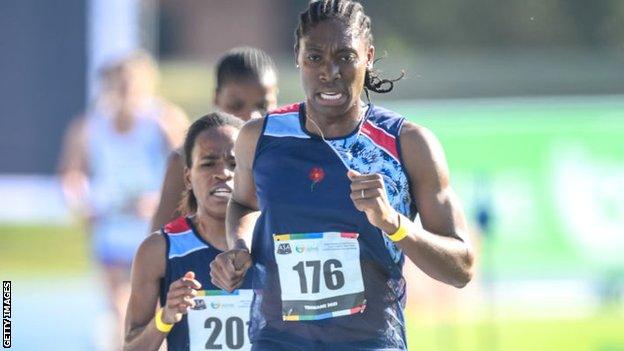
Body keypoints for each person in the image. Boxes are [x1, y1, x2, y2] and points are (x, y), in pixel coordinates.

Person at [209, 1, 475, 350]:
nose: (329, 72)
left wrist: (393, 223)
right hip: (278, 340)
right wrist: (239, 247)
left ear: (368, 56)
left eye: (346, 57)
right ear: (297, 57)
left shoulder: (406, 144)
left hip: (370, 341)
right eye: (315, 57)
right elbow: (243, 202)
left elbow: (461, 267)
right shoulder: (260, 138)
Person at [58, 51, 189, 350]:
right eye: (116, 86)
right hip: (111, 228)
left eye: (131, 86)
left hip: (153, 229)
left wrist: (161, 201)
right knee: (120, 307)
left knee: (155, 310)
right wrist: (81, 205)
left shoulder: (165, 121)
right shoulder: (88, 127)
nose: (124, 93)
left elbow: (191, 168)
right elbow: (71, 174)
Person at [124, 113, 252, 351]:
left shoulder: (273, 241)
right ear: (188, 178)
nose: (223, 173)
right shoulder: (158, 250)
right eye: (208, 163)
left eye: (234, 164)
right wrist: (165, 317)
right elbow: (131, 347)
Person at [149, 47, 278, 233]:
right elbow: (159, 241)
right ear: (216, 98)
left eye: (263, 106)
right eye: (236, 105)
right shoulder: (187, 160)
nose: (251, 116)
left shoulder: (285, 156)